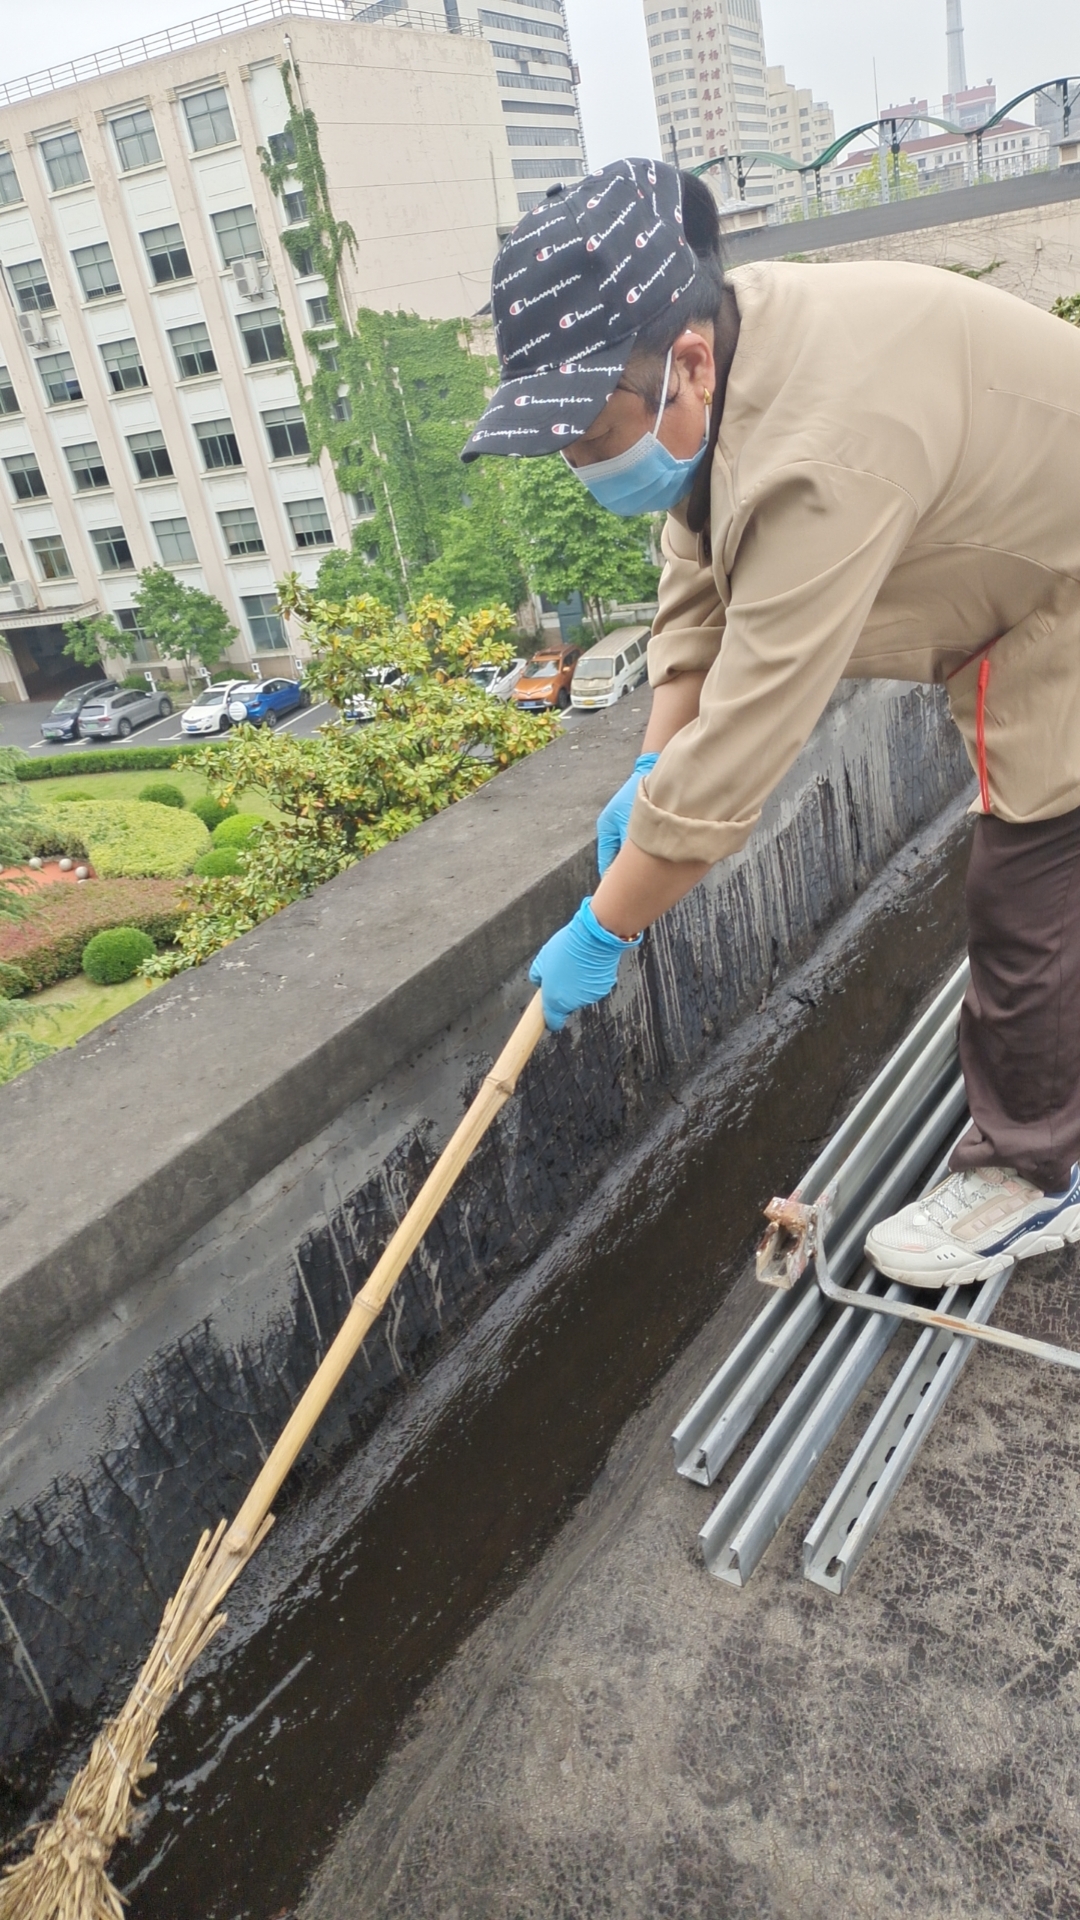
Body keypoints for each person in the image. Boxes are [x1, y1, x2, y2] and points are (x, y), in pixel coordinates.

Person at [461, 156, 1080, 1292]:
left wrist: (607, 927)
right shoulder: (734, 349)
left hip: (1068, 582)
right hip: (1033, 559)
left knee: (1027, 884)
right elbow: (696, 580)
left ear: (686, 366)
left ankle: (1033, 1172)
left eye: (590, 431)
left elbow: (746, 744)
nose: (582, 462)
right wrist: (654, 759)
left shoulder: (824, 451)